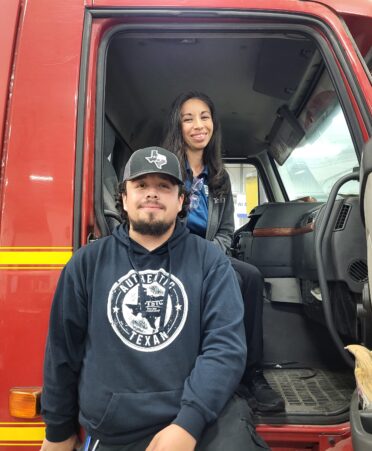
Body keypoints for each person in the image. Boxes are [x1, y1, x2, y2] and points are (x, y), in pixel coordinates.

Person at [40, 147, 270, 451]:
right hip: (113, 432)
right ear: (124, 198)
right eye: (141, 185)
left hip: (199, 426)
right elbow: (61, 353)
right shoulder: (86, 264)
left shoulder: (210, 262)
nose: (152, 194)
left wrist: (188, 424)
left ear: (180, 201)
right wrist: (58, 430)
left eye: (164, 186)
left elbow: (225, 348)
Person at [163, 92, 285, 413]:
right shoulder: (168, 171)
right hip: (170, 258)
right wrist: (190, 255)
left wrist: (207, 257)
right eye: (188, 119)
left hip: (207, 255)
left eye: (204, 117)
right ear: (178, 126)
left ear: (213, 124)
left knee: (251, 276)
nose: (198, 125)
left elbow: (228, 233)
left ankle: (251, 373)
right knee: (225, 276)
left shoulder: (218, 178)